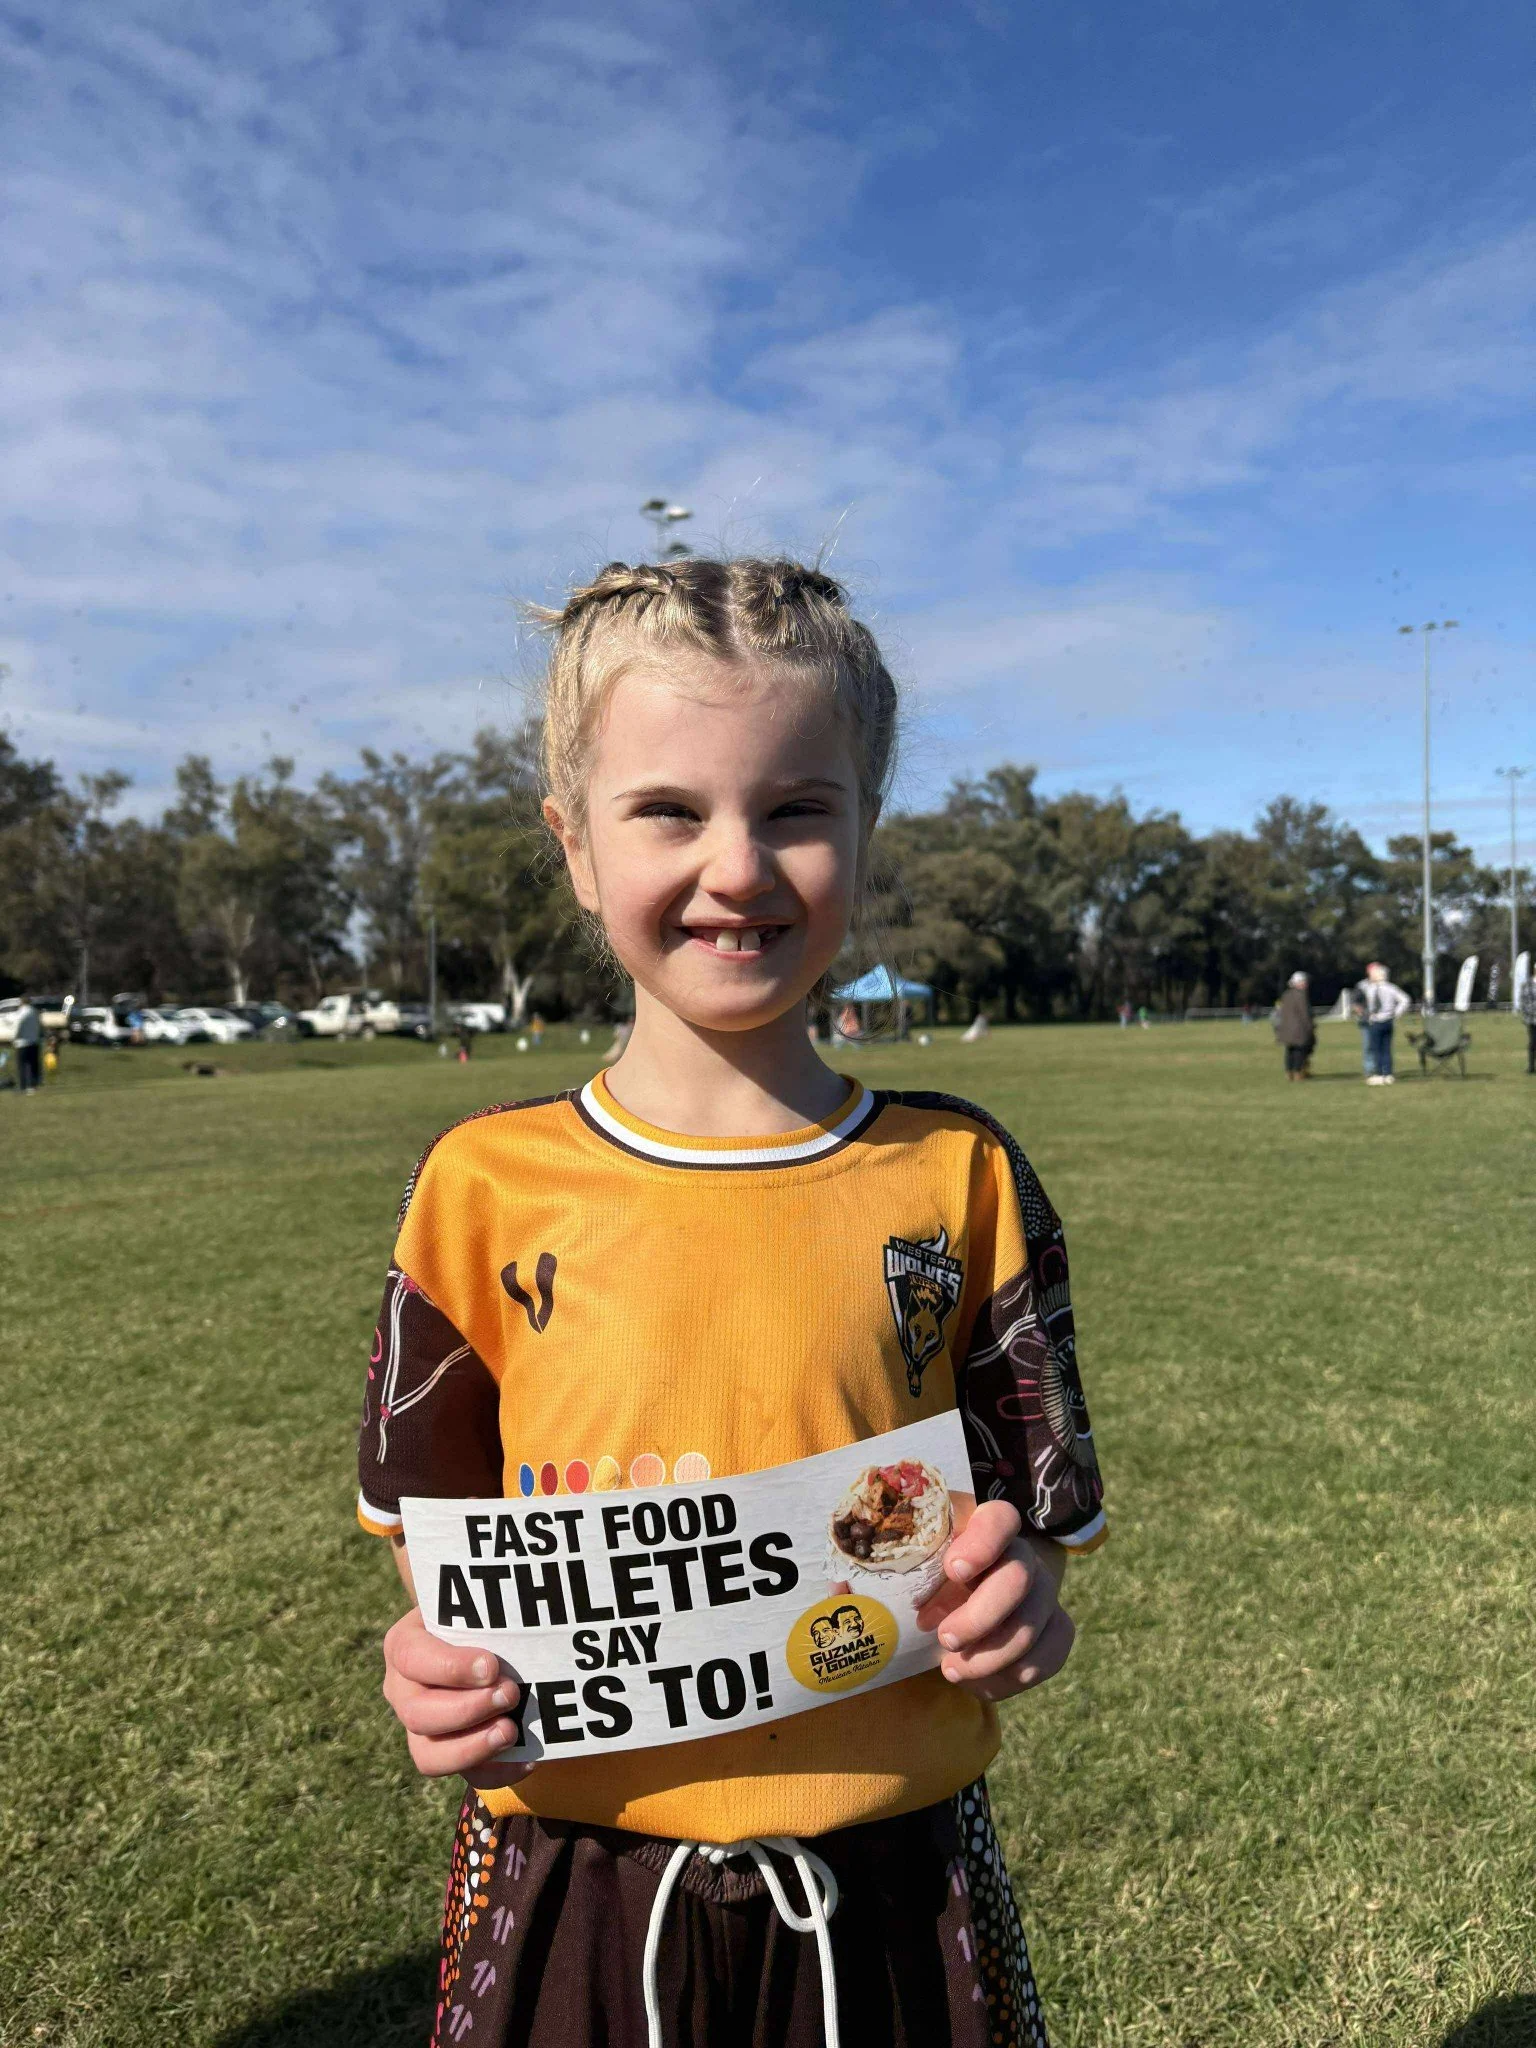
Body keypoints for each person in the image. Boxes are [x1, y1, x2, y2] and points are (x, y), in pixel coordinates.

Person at [361, 557, 1106, 2048]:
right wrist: (427, 1669)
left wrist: (1026, 1606)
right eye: (668, 811)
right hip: (577, 1877)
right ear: (576, 848)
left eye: (795, 809)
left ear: (865, 836)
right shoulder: (481, 1187)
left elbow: (1022, 1530)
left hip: (894, 1880)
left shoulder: (958, 1176)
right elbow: (439, 1561)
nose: (738, 866)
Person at [1353, 962, 1411, 1085]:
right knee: (1386, 1049)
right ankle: (1388, 1074)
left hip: (1376, 1021)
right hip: (1388, 1021)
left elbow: (1366, 1003)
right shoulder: (1391, 987)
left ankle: (1378, 1074)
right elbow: (1405, 1000)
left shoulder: (1370, 988)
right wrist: (1396, 1013)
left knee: (1376, 1049)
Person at [1272, 973, 1315, 1080]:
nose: (1305, 984)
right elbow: (1305, 1013)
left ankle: (1288, 1072)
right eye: (1303, 982)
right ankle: (1297, 1072)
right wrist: (1311, 1027)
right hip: (1299, 1030)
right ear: (1298, 983)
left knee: (1289, 1051)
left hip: (1286, 1029)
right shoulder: (1301, 995)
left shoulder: (1286, 994)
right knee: (1299, 1051)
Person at [13, 995, 42, 1093]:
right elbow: (39, 1025)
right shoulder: (35, 1012)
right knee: (33, 1065)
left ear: (21, 1002)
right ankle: (33, 1085)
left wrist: (14, 1038)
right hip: (34, 1041)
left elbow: (17, 1025)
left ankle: (23, 1086)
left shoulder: (21, 1012)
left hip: (22, 1042)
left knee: (22, 1065)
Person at [1520, 968, 1536, 1076]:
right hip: (1532, 1019)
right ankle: (1531, 1066)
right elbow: (1524, 1002)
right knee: (1533, 1043)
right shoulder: (1527, 985)